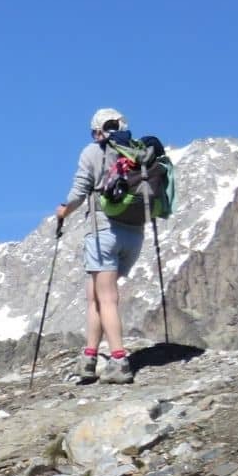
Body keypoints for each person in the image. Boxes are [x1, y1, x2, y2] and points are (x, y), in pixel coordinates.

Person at [54, 108, 140, 384]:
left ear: (99, 131)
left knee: (105, 299)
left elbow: (80, 191)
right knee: (93, 295)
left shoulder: (92, 152)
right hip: (134, 234)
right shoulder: (136, 151)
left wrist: (63, 211)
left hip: (103, 232)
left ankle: (118, 360)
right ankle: (89, 357)